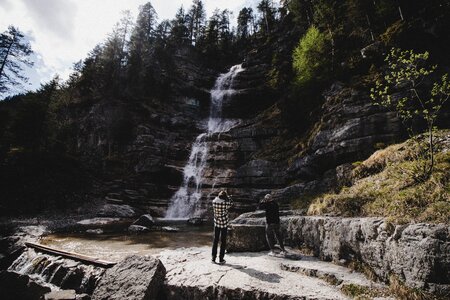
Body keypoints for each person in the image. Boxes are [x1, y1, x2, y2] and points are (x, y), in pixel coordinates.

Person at [211, 190, 233, 264]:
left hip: (216, 223)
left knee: (215, 240)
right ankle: (221, 259)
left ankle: (213, 258)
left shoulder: (214, 202)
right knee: (223, 241)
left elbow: (217, 198)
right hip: (224, 223)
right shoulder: (225, 203)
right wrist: (229, 197)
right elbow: (231, 203)